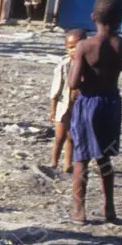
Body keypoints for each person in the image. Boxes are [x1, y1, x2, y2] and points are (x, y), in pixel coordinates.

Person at [67, 0, 122, 224]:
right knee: (105, 158)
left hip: (87, 103)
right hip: (110, 104)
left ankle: (79, 211)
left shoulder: (85, 45)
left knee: (81, 159)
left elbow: (72, 83)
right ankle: (109, 208)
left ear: (93, 17)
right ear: (121, 18)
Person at [48, 28, 86, 173]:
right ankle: (54, 162)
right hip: (63, 106)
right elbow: (55, 90)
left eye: (76, 46)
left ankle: (68, 164)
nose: (73, 50)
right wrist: (52, 109)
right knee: (59, 136)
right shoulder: (64, 65)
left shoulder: (87, 65)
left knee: (71, 137)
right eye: (70, 47)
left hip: (78, 107)